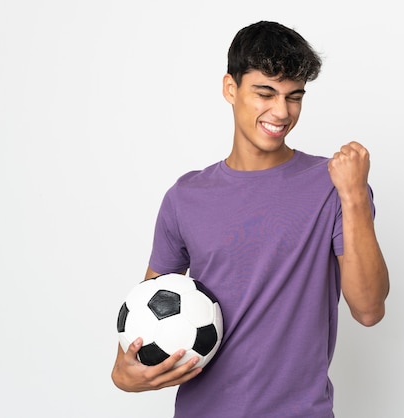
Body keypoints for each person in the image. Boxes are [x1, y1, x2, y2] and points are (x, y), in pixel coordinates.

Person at [111, 20, 389, 418]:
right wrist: (124, 373)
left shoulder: (333, 185)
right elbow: (148, 309)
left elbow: (368, 309)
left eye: (294, 97)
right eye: (266, 93)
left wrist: (354, 195)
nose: (282, 111)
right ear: (230, 88)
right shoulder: (185, 198)